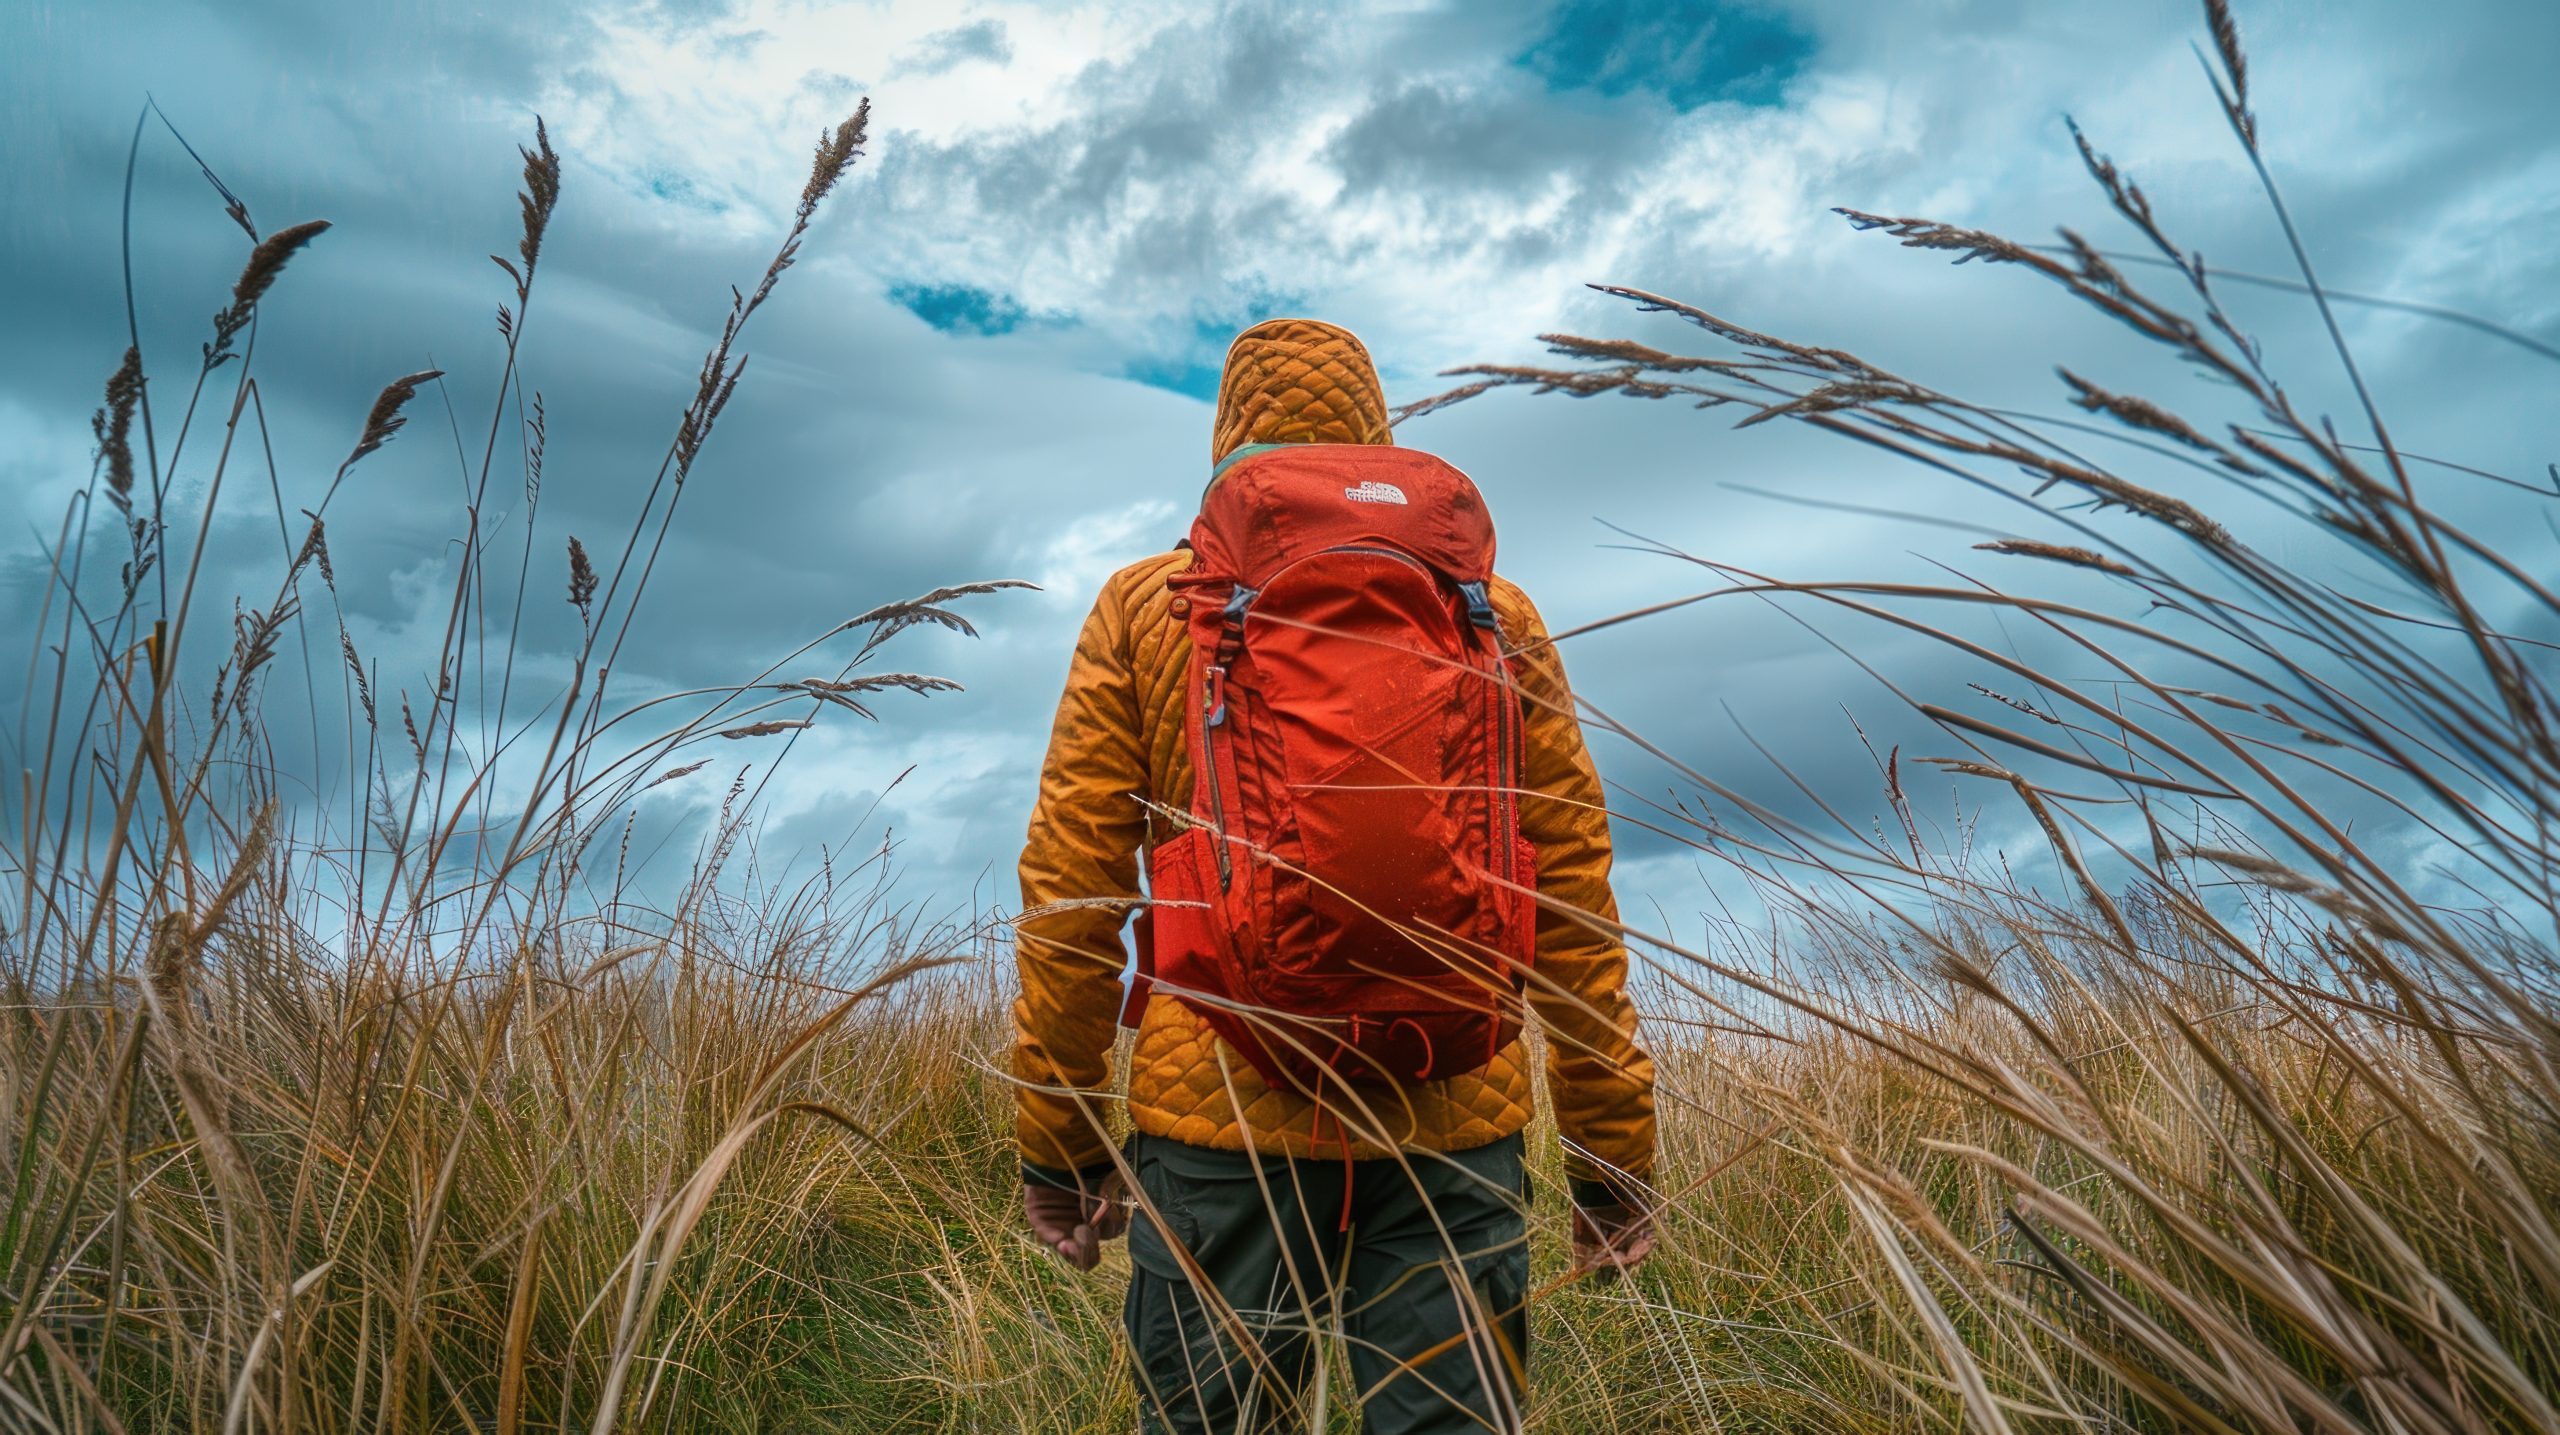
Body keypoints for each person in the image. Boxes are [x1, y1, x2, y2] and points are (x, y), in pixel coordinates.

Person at [1013, 317, 1656, 1433]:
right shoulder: (1495, 619)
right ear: (1377, 436)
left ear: (1227, 439)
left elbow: (1072, 896)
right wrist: (1613, 1157)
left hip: (1221, 1124)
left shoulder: (1147, 607)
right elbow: (1572, 902)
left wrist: (1061, 1147)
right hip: (1452, 1115)